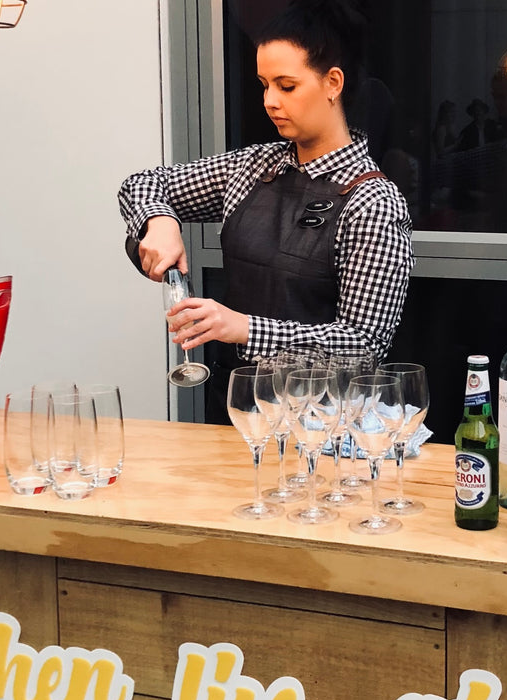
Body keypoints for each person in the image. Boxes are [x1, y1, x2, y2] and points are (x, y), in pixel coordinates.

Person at [118, 0, 414, 418]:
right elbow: (143, 184)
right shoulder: (253, 167)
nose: (270, 101)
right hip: (235, 409)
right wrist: (160, 221)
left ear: (333, 83)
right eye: (264, 84)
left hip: (322, 426)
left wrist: (243, 328)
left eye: (286, 86)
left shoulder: (373, 202)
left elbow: (362, 345)